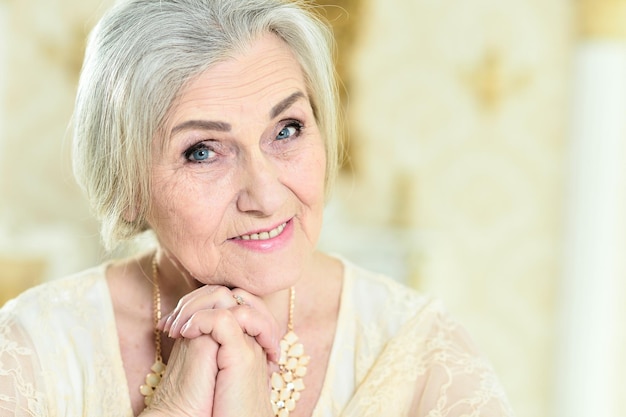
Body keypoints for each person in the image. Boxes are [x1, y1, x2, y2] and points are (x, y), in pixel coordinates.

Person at [0, 0, 515, 416]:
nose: (267, 196)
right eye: (202, 152)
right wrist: (176, 405)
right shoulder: (35, 346)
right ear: (129, 181)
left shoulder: (421, 351)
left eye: (287, 130)